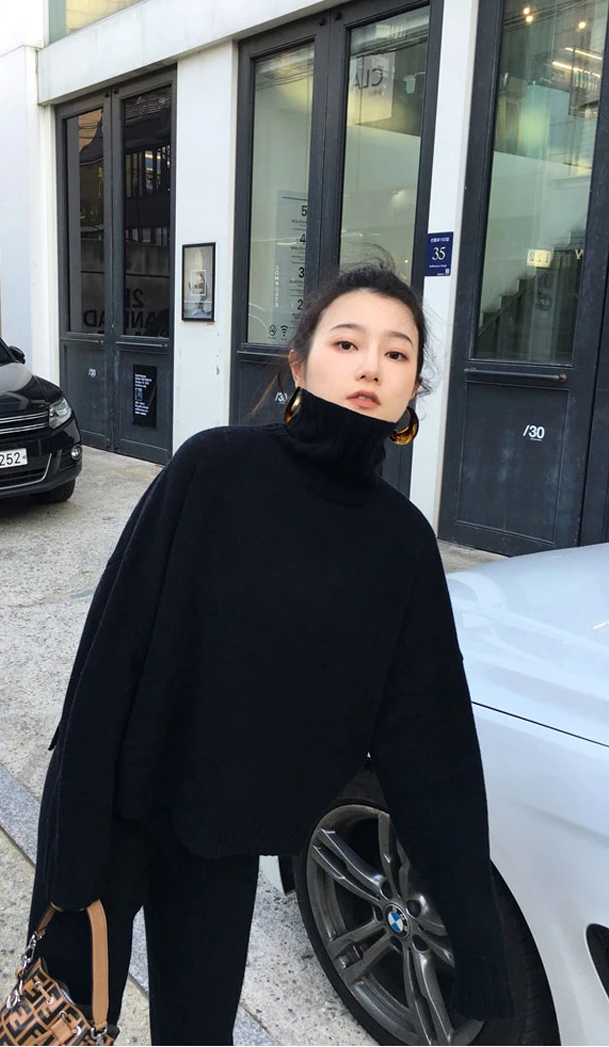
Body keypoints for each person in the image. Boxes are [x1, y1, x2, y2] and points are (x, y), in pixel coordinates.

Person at [28, 264, 514, 1045]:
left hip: (222, 840)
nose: (371, 366)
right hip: (112, 808)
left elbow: (432, 743)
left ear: (413, 388)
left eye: (397, 353)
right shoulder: (213, 468)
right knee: (56, 1027)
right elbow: (108, 655)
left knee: (199, 1035)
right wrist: (71, 847)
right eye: (347, 342)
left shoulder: (401, 546)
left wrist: (477, 939)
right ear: (299, 361)